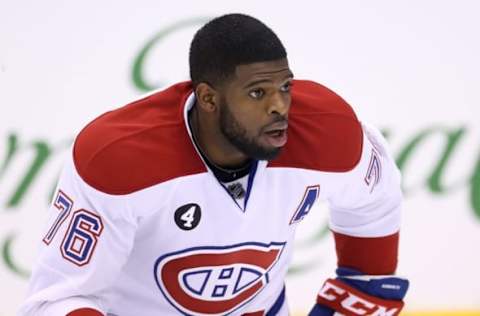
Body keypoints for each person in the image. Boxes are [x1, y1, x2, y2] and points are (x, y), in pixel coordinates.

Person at [19, 13, 409, 316]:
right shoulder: (118, 158)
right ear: (208, 98)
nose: (280, 107)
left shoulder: (326, 131)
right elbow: (58, 300)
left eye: (285, 87)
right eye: (258, 92)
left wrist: (363, 286)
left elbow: (375, 198)